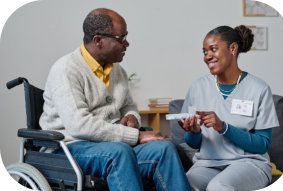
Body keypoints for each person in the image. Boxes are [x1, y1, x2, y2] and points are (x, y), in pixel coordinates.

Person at [39, 8, 191, 191]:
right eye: (121, 38)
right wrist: (137, 136)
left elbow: (128, 105)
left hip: (109, 146)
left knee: (164, 149)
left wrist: (132, 116)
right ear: (98, 41)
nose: (127, 43)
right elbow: (79, 126)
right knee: (119, 152)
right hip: (68, 148)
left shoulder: (117, 72)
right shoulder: (65, 69)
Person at [178, 25, 279, 191]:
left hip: (249, 164)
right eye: (204, 52)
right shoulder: (197, 87)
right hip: (208, 164)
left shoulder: (259, 88)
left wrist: (223, 127)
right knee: (183, 184)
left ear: (233, 48)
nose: (207, 56)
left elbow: (262, 144)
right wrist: (194, 132)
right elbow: (193, 144)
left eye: (213, 49)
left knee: (218, 186)